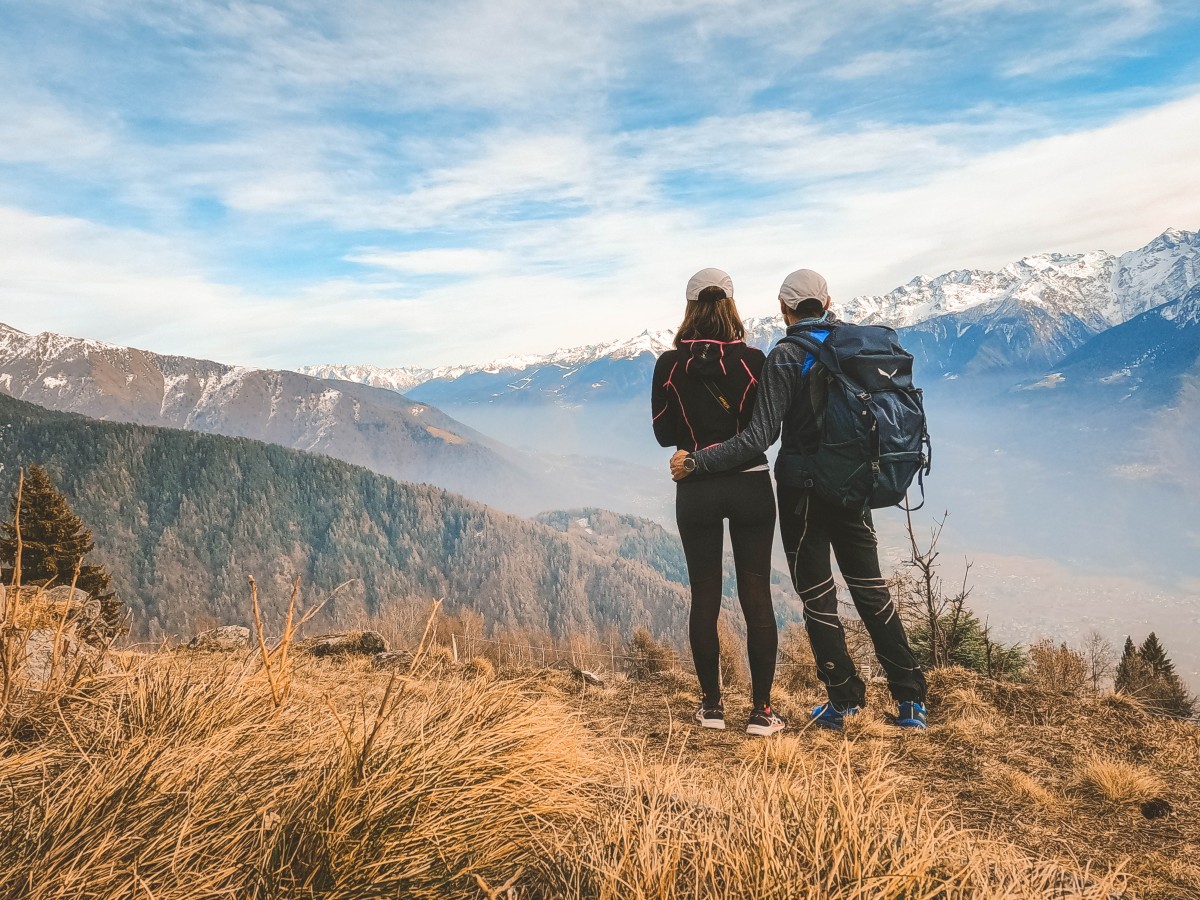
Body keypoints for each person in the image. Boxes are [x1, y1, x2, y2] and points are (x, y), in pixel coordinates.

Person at [671, 268, 928, 731]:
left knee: (817, 597)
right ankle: (911, 701)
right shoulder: (856, 347)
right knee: (871, 591)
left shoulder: (786, 357)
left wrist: (699, 463)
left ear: (783, 308)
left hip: (802, 495)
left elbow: (758, 438)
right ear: (827, 300)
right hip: (855, 487)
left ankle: (845, 700)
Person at [652, 267, 785, 737]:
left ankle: (711, 706)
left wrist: (696, 448)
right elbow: (764, 431)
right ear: (731, 305)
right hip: (750, 486)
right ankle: (762, 712)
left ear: (689, 308)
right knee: (757, 596)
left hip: (695, 488)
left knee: (704, 596)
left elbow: (664, 432)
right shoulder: (754, 361)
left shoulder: (669, 365)